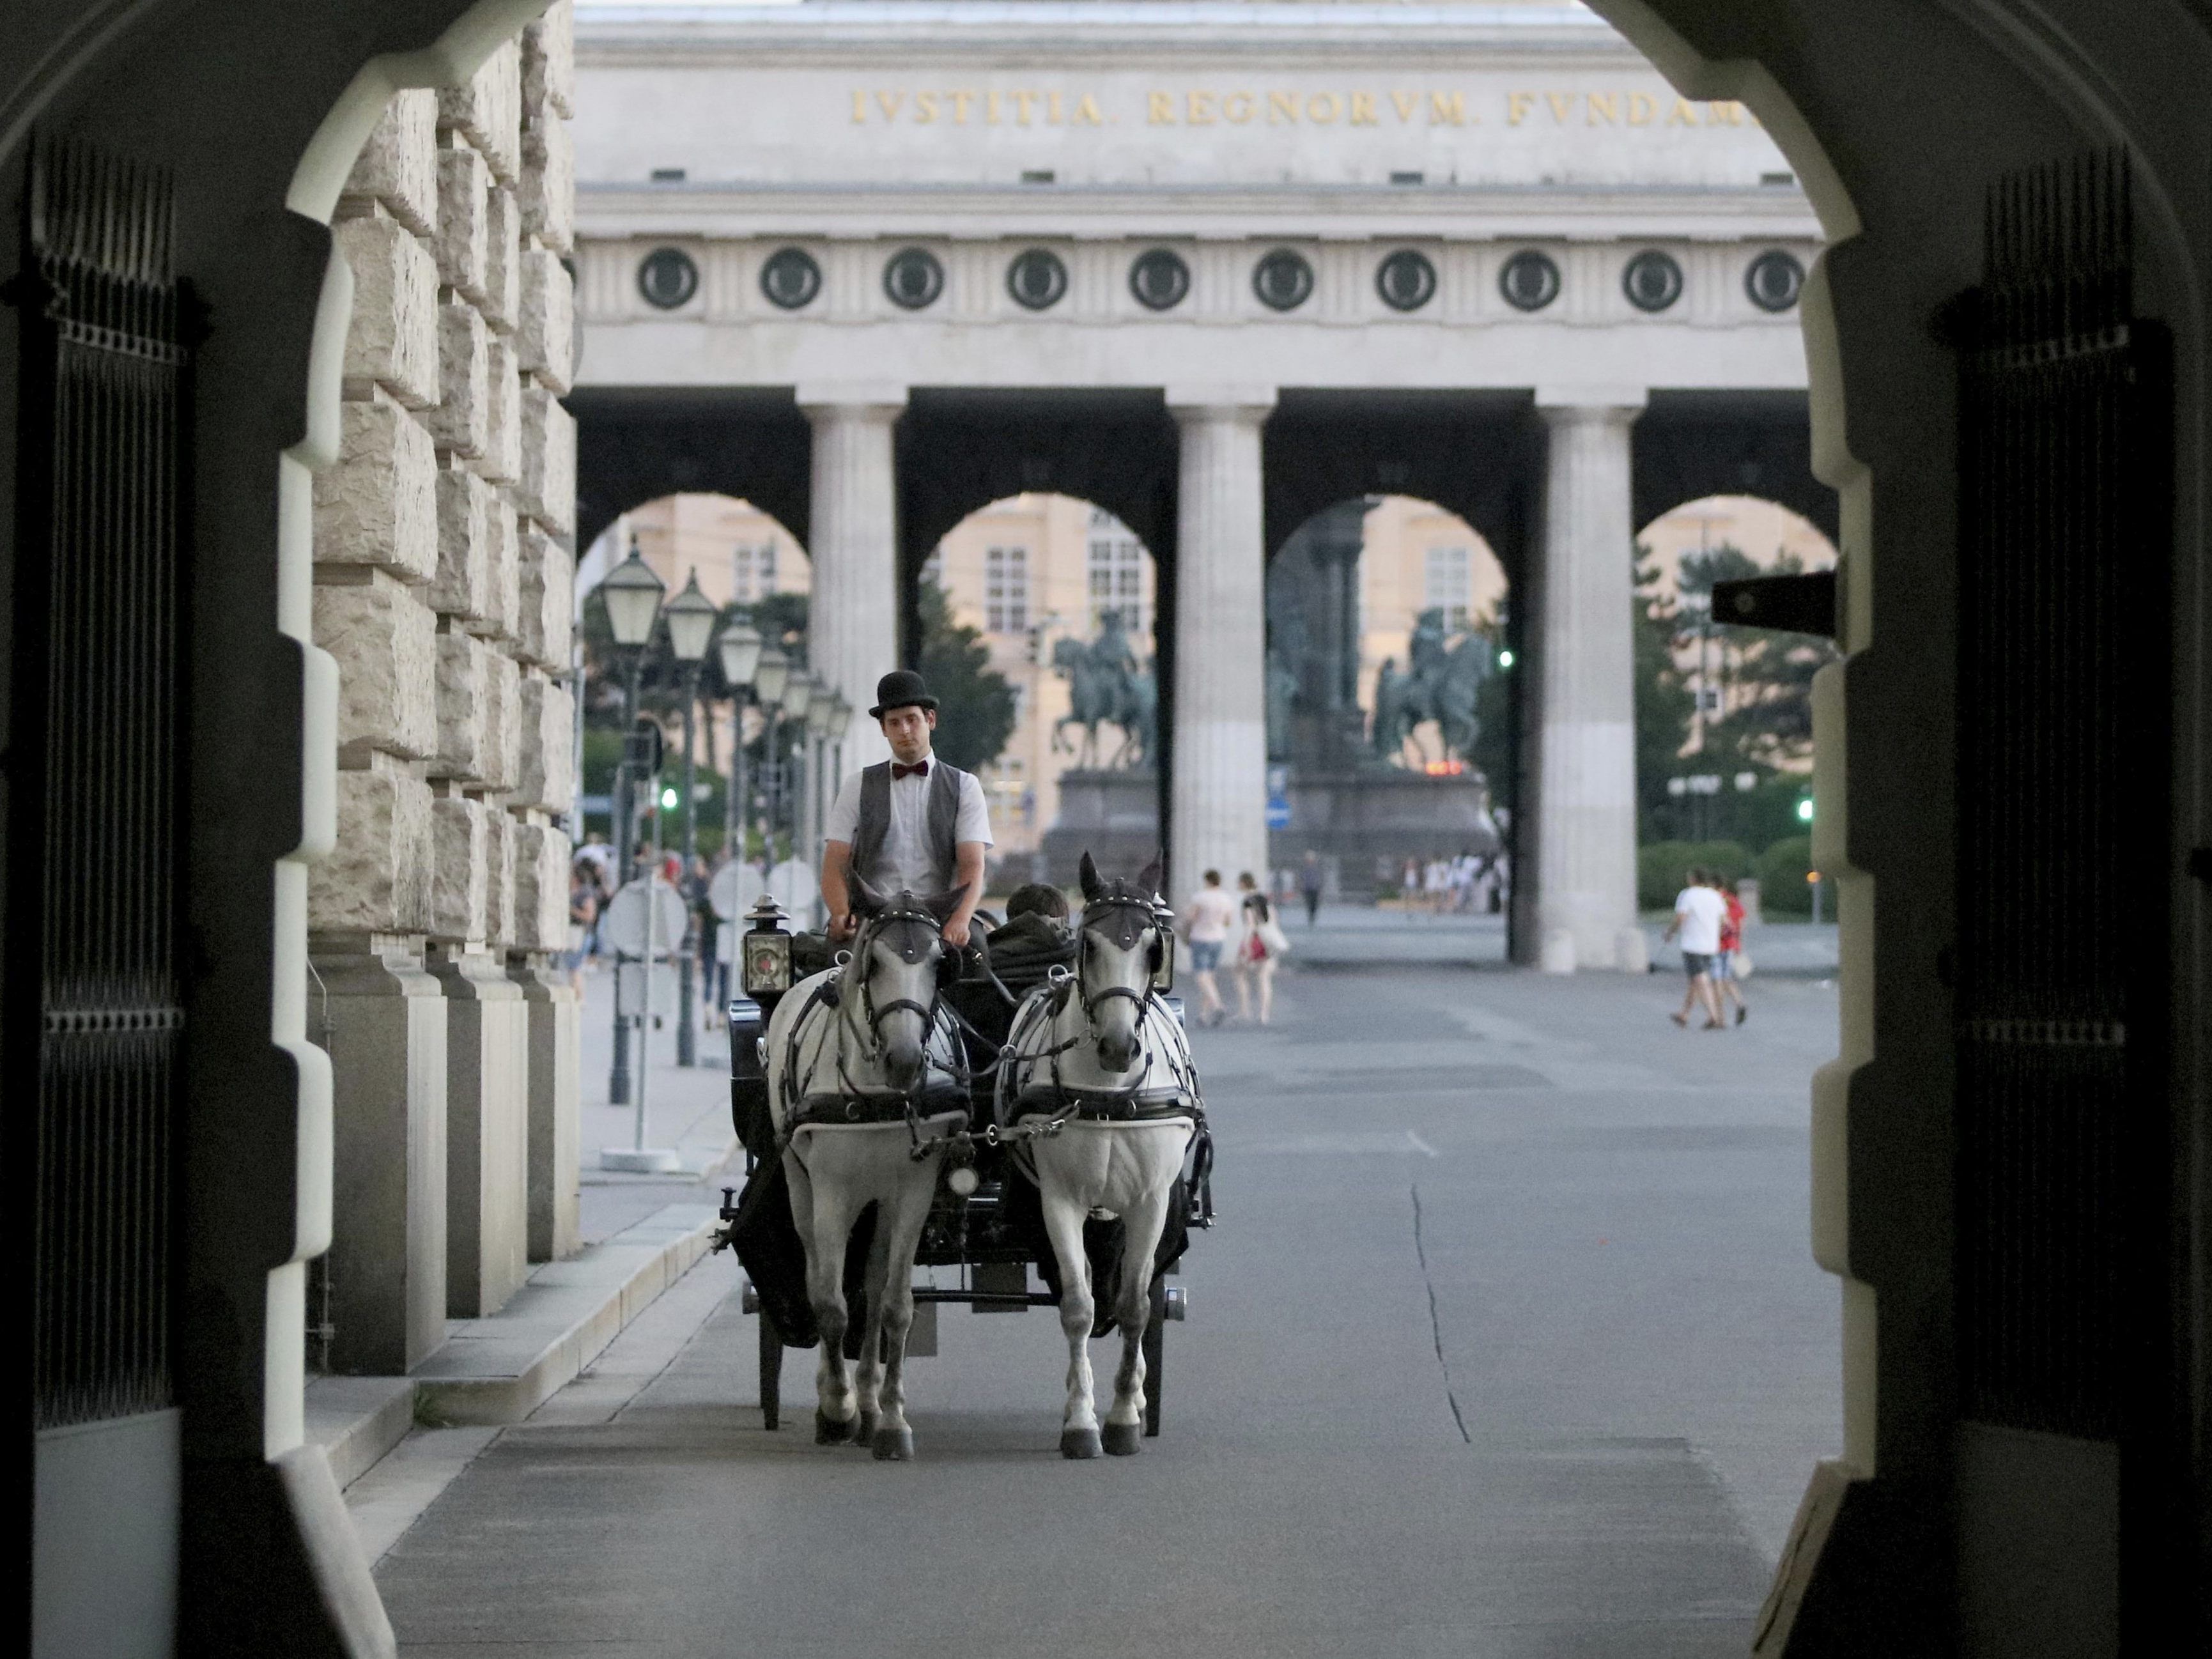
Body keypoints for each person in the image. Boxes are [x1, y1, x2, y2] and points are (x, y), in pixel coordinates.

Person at [819, 669, 993, 950]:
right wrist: (841, 912)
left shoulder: (965, 787)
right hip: (871, 918)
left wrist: (961, 919)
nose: (905, 731)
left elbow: (972, 864)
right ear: (884, 729)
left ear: (930, 720)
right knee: (827, 978)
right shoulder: (856, 786)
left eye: (912, 720)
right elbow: (834, 863)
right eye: (895, 723)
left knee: (980, 967)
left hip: (941, 916)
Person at [1663, 867, 1729, 1030]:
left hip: (1693, 944)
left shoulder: (1688, 895)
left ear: (1693, 879)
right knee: (1695, 980)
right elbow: (1724, 921)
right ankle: (1685, 1013)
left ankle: (1713, 1015)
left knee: (1700, 978)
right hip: (1711, 944)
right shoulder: (1715, 896)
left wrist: (1670, 932)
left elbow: (1681, 917)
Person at [1179, 868, 1235, 1027]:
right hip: (1218, 938)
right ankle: (1204, 1015)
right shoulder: (1226, 898)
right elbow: (1228, 922)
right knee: (1210, 977)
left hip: (1201, 937)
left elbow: (1190, 917)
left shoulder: (1200, 897)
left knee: (1201, 976)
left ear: (1207, 881)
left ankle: (1218, 1006)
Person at [1233, 871, 1281, 1025]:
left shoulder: (1248, 901)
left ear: (1243, 884)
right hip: (1266, 940)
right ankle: (1264, 1014)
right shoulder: (1265, 899)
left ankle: (1244, 1010)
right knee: (1264, 977)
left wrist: (1246, 945)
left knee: (1240, 973)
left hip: (1254, 940)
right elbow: (1273, 919)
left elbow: (1250, 925)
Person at [1713, 879, 1750, 1026]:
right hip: (1731, 944)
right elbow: (1741, 922)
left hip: (1717, 945)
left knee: (1718, 980)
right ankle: (1739, 1003)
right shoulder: (1732, 900)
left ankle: (1720, 1017)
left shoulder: (1716, 901)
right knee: (1726, 977)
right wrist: (1738, 943)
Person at [1300, 849, 1325, 926]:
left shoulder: (1317, 869)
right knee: (1309, 903)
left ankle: (1313, 916)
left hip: (1315, 889)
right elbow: (1302, 879)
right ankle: (1310, 916)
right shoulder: (1304, 869)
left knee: (1315, 904)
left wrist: (1320, 887)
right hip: (1307, 889)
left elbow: (1320, 879)